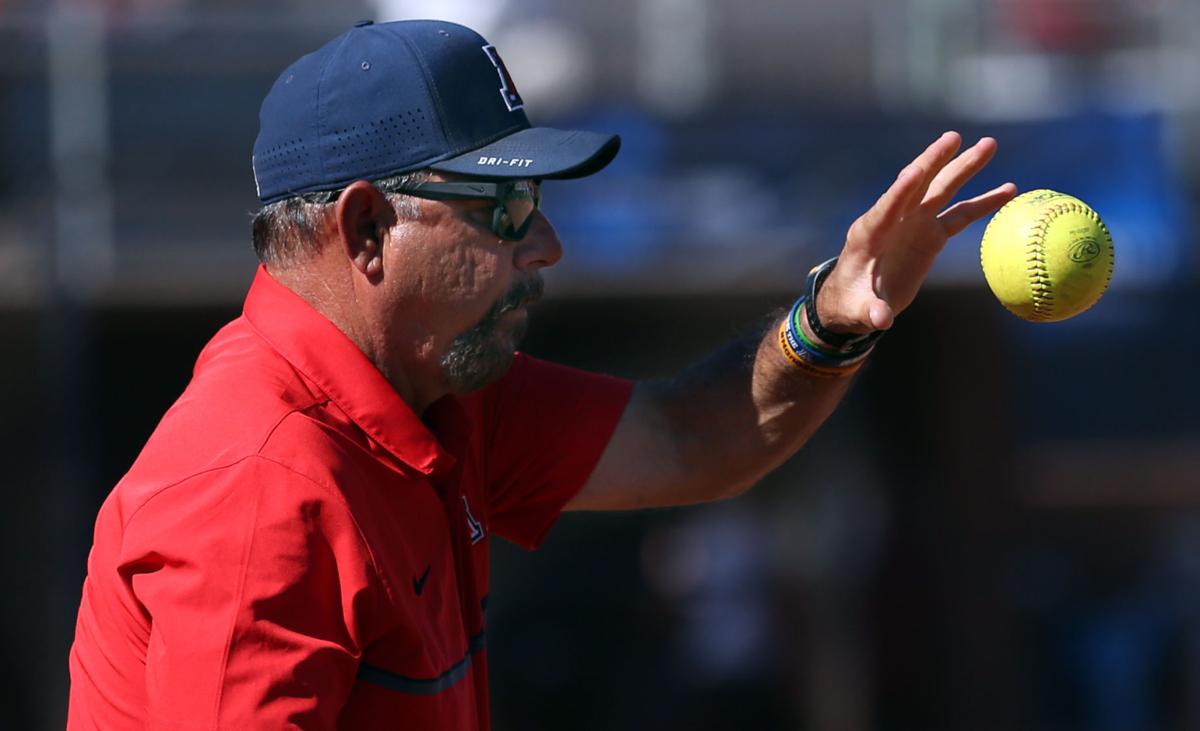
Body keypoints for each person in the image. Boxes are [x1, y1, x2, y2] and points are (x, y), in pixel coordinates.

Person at [67, 18, 1016, 731]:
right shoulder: (259, 494)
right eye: (506, 207)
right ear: (366, 230)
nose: (547, 244)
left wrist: (832, 320)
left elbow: (694, 440)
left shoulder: (435, 393)